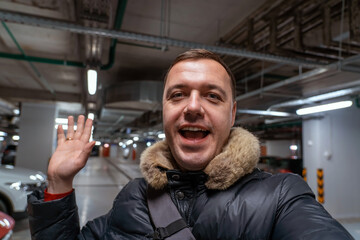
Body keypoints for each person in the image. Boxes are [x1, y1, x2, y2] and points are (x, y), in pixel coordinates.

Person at [28, 49, 354, 240]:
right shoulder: (133, 198)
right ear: (164, 111)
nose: (193, 107)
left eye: (212, 96)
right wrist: (59, 184)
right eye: (178, 94)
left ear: (232, 112)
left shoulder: (281, 196)